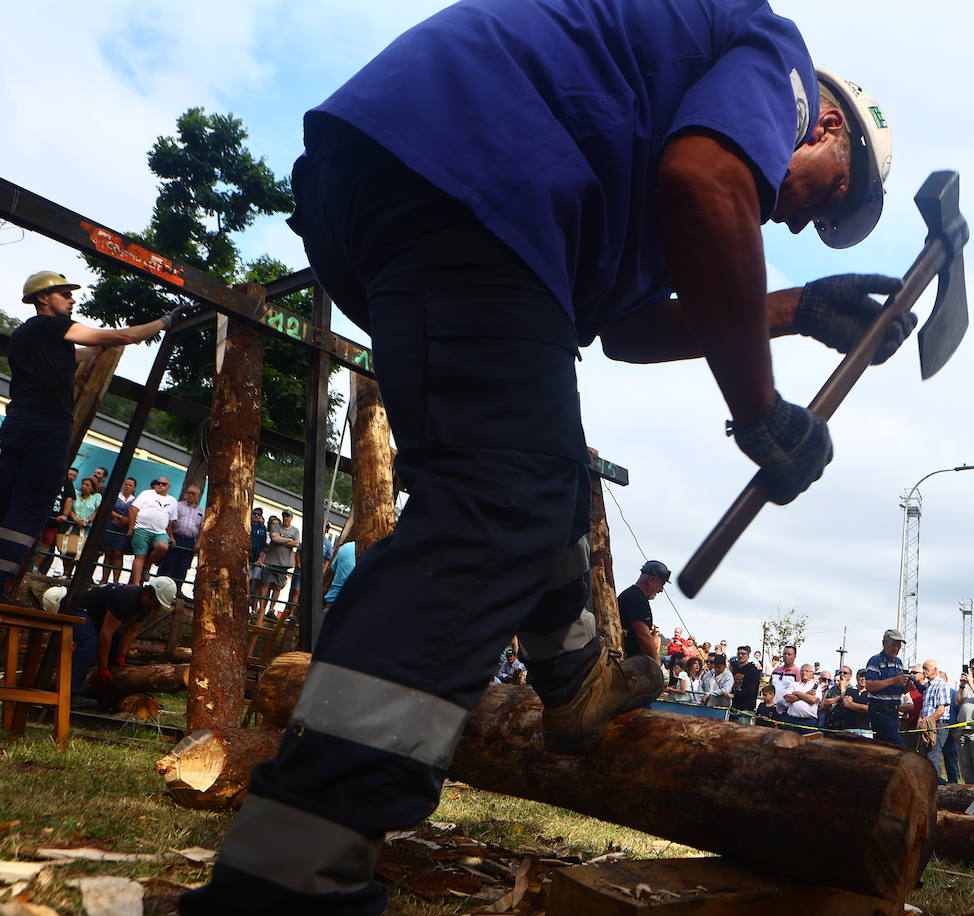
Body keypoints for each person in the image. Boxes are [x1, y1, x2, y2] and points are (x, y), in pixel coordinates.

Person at [183, 0, 906, 908]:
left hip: (393, 183)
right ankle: (287, 879)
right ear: (826, 124)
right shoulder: (777, 56)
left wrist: (794, 310)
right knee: (497, 508)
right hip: (473, 172)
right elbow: (705, 179)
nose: (797, 228)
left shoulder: (649, 136)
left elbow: (627, 331)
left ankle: (574, 681)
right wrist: (759, 411)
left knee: (534, 464)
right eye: (828, 199)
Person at [0, 272, 173, 590]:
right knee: (32, 501)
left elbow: (81, 355)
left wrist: (102, 348)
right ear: (43, 298)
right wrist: (163, 322)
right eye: (64, 294)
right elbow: (121, 337)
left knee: (6, 493)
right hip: (48, 426)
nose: (72, 300)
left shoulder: (26, 335)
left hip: (18, 423)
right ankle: (2, 578)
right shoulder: (52, 325)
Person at [70, 576, 177, 694]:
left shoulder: (145, 606)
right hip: (80, 610)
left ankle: (103, 690)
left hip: (98, 618)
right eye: (156, 604)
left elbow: (131, 632)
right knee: (89, 643)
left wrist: (120, 656)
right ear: (148, 594)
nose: (156, 609)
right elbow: (106, 634)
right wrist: (102, 668)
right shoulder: (127, 599)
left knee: (116, 643)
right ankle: (72, 690)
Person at [862, 629, 914, 748]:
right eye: (893, 645)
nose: (896, 649)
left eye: (899, 646)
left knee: (885, 747)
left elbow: (897, 690)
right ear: (884, 643)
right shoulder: (875, 661)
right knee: (897, 747)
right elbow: (869, 685)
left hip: (893, 712)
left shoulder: (899, 663)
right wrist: (894, 680)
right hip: (880, 711)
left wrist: (907, 688)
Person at [127, 476, 178, 587]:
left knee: (163, 547)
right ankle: (136, 584)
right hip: (142, 528)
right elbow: (133, 509)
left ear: (168, 487)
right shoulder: (146, 493)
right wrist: (131, 528)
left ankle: (146, 565)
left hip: (160, 532)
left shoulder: (173, 501)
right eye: (158, 483)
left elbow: (170, 522)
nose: (160, 485)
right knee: (139, 555)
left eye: (163, 484)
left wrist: (171, 536)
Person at [616, 560, 670, 658]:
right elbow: (643, 637)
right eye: (661, 585)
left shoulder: (632, 595)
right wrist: (656, 663)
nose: (661, 590)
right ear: (651, 581)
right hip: (627, 661)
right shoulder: (636, 599)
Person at [160, 484, 205, 596]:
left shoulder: (201, 511)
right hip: (176, 538)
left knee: (183, 566)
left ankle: (177, 590)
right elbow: (170, 522)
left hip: (189, 541)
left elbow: (202, 529)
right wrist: (170, 537)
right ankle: (162, 589)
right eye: (188, 492)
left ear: (197, 496)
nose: (190, 495)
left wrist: (198, 543)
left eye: (193, 494)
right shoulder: (177, 506)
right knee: (169, 565)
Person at [919, 660, 953, 779]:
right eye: (923, 668)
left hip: (938, 726)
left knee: (932, 755)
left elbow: (941, 710)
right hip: (928, 725)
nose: (924, 671)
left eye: (926, 668)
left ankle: (936, 785)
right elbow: (924, 707)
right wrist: (921, 720)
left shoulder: (942, 685)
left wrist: (927, 721)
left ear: (935, 669)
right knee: (927, 756)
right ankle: (933, 782)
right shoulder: (928, 686)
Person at [100, 478, 138, 585]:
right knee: (108, 552)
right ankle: (104, 580)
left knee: (118, 553)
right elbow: (108, 508)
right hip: (111, 525)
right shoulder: (116, 496)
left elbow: (136, 513)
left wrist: (127, 521)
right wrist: (120, 516)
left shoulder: (136, 500)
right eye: (126, 484)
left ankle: (115, 581)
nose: (127, 487)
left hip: (124, 529)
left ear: (134, 488)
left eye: (130, 485)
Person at [62, 476, 101, 572]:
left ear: (92, 488)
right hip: (73, 527)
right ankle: (66, 572)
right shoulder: (76, 495)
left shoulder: (96, 497)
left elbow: (97, 511)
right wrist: (75, 519)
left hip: (87, 529)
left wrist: (87, 520)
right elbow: (70, 507)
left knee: (81, 553)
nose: (84, 486)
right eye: (83, 484)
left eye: (87, 485)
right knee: (69, 552)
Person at [781, 663, 820, 730]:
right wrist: (806, 694)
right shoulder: (793, 684)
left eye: (807, 671)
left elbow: (812, 700)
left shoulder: (816, 687)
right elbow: (788, 698)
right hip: (792, 720)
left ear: (812, 673)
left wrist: (797, 693)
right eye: (802, 671)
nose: (804, 672)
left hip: (808, 722)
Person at [322, 539, 356, 614]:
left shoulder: (346, 547)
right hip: (353, 606)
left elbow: (333, 568)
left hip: (333, 600)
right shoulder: (376, 552)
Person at [728, 646, 761, 723]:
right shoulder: (733, 668)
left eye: (743, 654)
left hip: (746, 708)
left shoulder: (753, 670)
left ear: (748, 656)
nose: (740, 656)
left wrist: (734, 695)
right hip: (732, 706)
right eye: (739, 654)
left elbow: (752, 690)